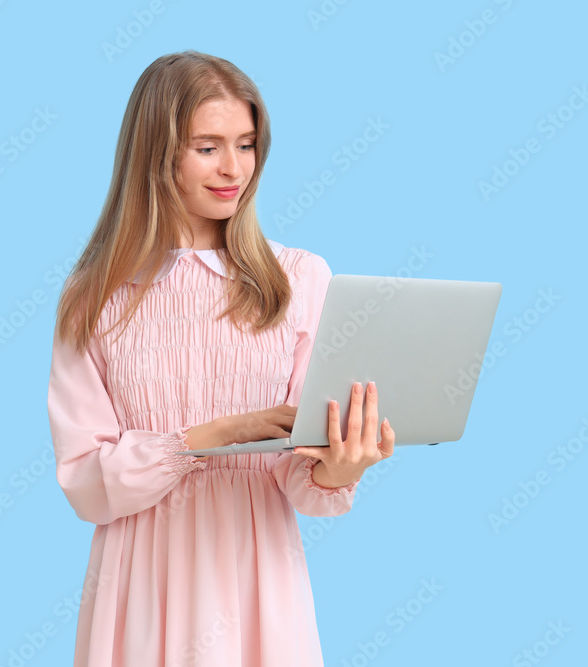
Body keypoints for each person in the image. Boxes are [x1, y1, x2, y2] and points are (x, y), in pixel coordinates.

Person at [46, 49, 394, 667]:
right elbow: (85, 484)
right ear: (155, 155)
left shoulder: (298, 279)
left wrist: (340, 468)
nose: (234, 168)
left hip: (258, 577)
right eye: (207, 147)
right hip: (140, 581)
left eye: (247, 145)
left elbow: (303, 480)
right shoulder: (94, 295)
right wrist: (212, 436)